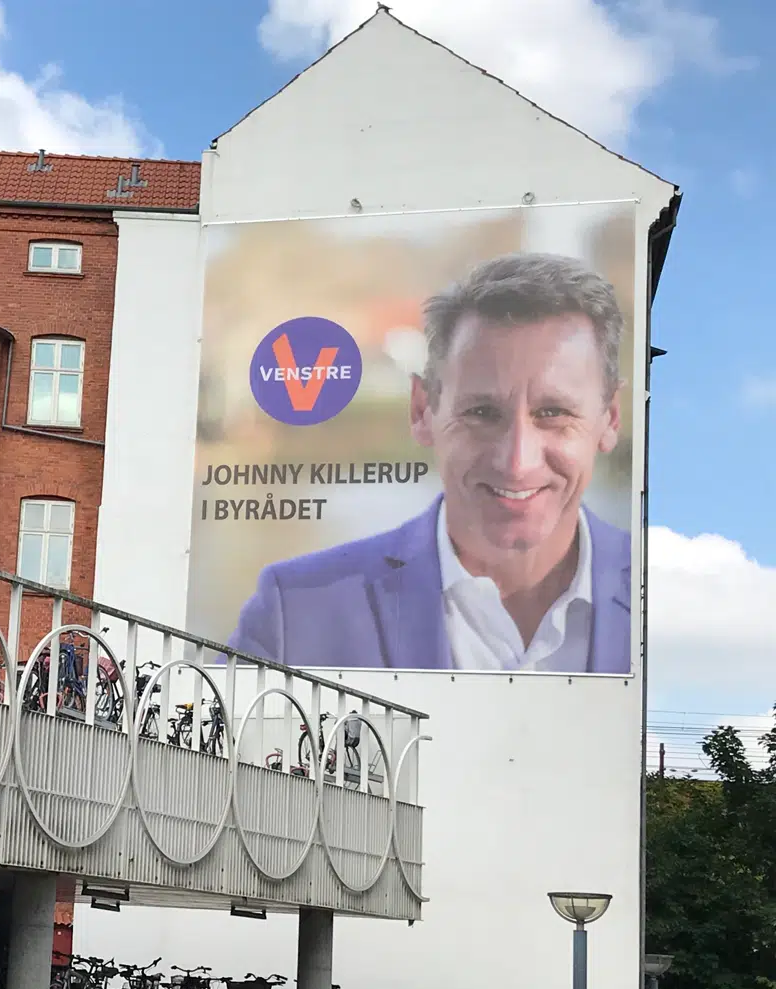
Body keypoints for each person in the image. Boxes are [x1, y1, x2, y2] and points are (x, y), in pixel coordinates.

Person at [228, 252, 631, 674]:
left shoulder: (664, 597)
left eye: (553, 414)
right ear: (422, 410)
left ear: (611, 418)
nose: (517, 462)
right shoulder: (294, 612)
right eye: (481, 413)